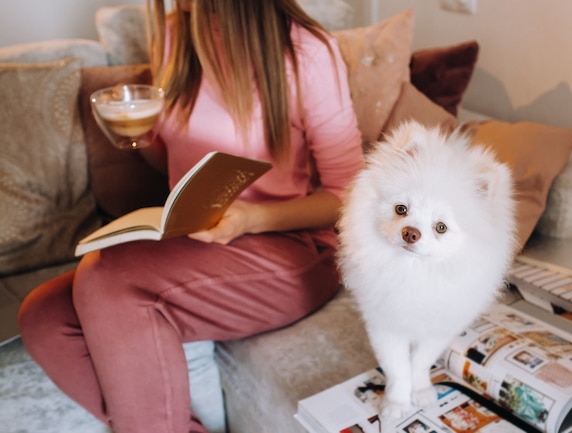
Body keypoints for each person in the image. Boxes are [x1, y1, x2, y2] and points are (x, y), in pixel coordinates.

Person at [17, 1, 363, 432]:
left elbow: (348, 195)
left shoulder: (307, 51)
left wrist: (251, 218)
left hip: (293, 246)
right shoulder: (179, 32)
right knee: (44, 317)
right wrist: (140, 137)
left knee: (107, 277)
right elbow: (173, 167)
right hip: (198, 239)